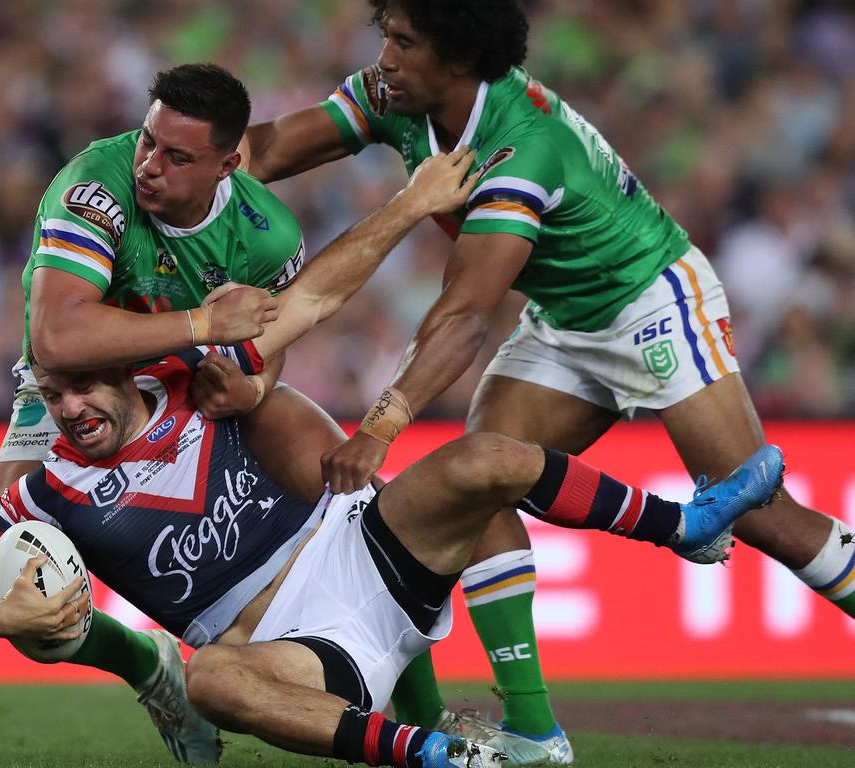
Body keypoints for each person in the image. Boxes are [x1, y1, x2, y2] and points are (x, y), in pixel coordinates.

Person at [0, 148, 785, 768]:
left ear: (123, 368)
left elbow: (313, 297)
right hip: (293, 645)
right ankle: (432, 753)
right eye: (53, 394)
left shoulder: (194, 377)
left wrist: (411, 206)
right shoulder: (40, 496)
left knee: (483, 455)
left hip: (364, 552)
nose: (72, 408)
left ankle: (685, 522)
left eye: (84, 388)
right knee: (214, 682)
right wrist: (6, 619)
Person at [240, 0, 855, 762]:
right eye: (387, 39)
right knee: (481, 476)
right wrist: (178, 161)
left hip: (646, 297)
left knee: (762, 514)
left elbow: (466, 313)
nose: (386, 59)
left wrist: (383, 423)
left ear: (458, 61)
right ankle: (534, 733)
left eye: (405, 42)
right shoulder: (395, 96)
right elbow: (263, 150)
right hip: (566, 317)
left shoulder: (520, 149)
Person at [0, 63, 320, 761]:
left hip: (188, 381)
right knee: (9, 583)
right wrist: (200, 323)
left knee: (334, 480)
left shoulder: (269, 235)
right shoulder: (94, 188)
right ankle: (148, 667)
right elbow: (58, 339)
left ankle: (433, 715)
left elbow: (271, 338)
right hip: (69, 391)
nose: (148, 166)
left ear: (228, 164)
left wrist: (253, 385)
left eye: (176, 156)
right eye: (146, 141)